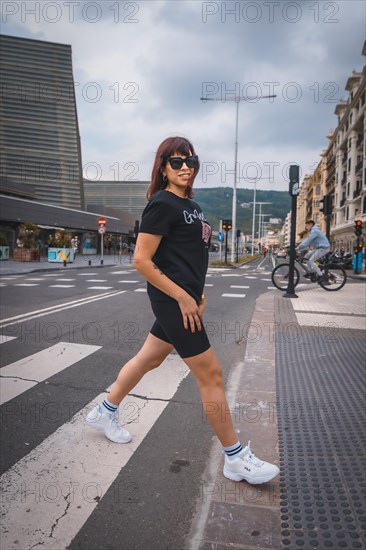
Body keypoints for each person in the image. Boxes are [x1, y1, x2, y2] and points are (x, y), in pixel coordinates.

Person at [86, 136, 279, 485]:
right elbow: (141, 261)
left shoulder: (192, 205)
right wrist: (184, 298)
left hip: (184, 298)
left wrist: (199, 291)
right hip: (173, 301)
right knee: (212, 375)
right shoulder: (161, 204)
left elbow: (189, 258)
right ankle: (235, 458)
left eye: (190, 160)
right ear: (163, 167)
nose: (185, 166)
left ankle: (105, 410)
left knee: (150, 358)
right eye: (176, 162)